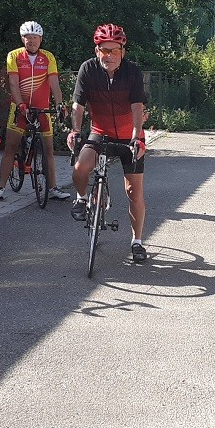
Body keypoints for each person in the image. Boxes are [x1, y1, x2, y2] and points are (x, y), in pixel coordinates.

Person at [66, 23, 147, 262]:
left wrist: (136, 137)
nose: (108, 55)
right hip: (100, 131)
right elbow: (78, 105)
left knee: (134, 191)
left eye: (114, 50)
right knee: (81, 167)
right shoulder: (88, 70)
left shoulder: (132, 72)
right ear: (96, 50)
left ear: (123, 51)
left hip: (129, 135)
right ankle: (82, 199)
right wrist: (76, 131)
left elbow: (137, 107)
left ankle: (137, 241)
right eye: (104, 50)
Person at [0, 20, 69, 202]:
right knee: (10, 148)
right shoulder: (14, 56)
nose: (31, 41)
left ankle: (53, 187)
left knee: (49, 150)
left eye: (35, 37)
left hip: (41, 109)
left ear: (41, 39)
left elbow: (54, 84)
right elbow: (13, 84)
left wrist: (59, 103)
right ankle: (0, 187)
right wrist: (20, 105)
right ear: (22, 39)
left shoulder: (48, 57)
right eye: (28, 37)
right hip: (20, 109)